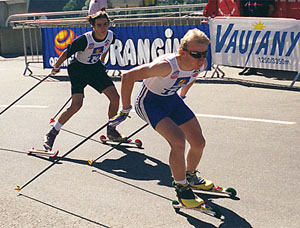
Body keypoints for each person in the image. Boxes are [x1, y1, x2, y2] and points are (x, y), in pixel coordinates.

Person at [109, 28, 215, 208]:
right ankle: (181, 189)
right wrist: (125, 107)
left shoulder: (200, 64)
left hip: (171, 99)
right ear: (182, 51)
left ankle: (190, 176)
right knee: (178, 141)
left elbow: (191, 77)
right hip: (149, 103)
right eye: (196, 54)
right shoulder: (166, 66)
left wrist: (182, 94)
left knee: (198, 142)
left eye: (204, 54)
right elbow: (128, 76)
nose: (201, 59)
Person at [44, 11, 124, 151]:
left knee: (115, 98)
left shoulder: (111, 36)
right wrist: (56, 67)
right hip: (78, 70)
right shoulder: (84, 40)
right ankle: (52, 132)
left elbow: (106, 46)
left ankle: (111, 129)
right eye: (99, 25)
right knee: (76, 105)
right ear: (93, 26)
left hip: (95, 68)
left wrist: (102, 61)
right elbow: (66, 53)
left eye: (105, 24)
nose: (103, 28)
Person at [239, 0, 276, 75]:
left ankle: (253, 67)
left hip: (260, 24)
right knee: (248, 44)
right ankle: (248, 65)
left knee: (256, 45)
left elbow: (271, 8)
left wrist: (265, 21)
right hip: (250, 23)